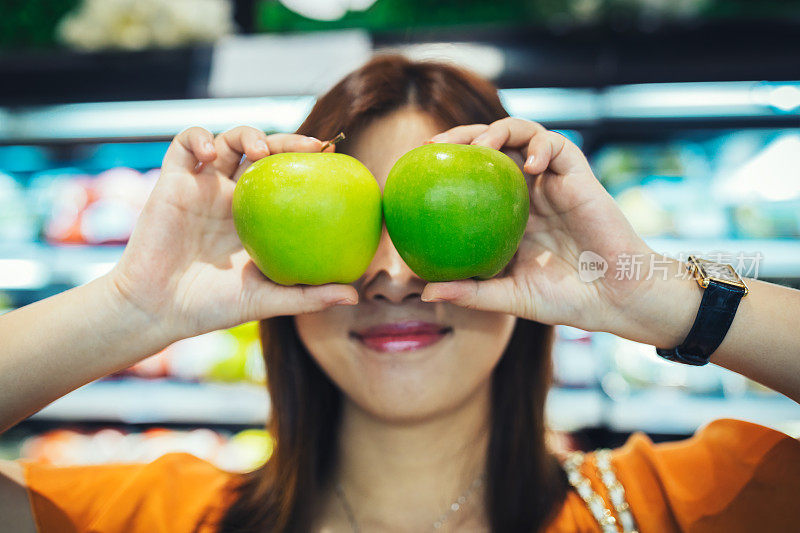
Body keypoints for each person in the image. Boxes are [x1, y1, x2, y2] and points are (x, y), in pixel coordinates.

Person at [1, 54, 799, 533]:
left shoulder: (690, 503)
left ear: (524, 240)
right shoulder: (152, 514)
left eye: (419, 221)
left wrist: (651, 290)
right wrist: (132, 309)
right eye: (359, 219)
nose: (393, 273)